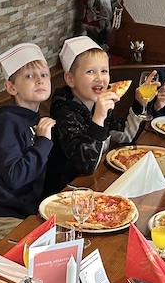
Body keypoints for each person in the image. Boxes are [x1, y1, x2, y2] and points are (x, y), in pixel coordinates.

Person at [0, 43, 55, 248]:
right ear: (11, 87)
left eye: (44, 75)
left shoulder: (37, 119)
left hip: (25, 215)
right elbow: (15, 177)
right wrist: (43, 143)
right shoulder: (6, 121)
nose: (39, 80)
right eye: (29, 76)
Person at [44, 36, 152, 196]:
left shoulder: (97, 103)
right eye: (90, 71)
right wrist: (99, 118)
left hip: (94, 184)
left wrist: (139, 104)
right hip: (63, 193)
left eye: (104, 71)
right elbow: (85, 165)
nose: (99, 78)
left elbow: (126, 136)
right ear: (70, 79)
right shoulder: (63, 112)